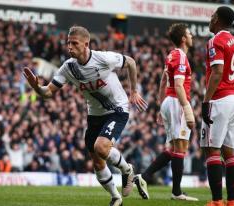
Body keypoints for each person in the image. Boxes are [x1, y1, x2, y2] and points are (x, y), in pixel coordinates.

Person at [23, 25, 147, 206]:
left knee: (101, 148)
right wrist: (36, 88)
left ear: (86, 44)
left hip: (117, 109)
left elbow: (131, 62)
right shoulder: (68, 67)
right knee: (97, 162)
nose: (69, 47)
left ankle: (127, 170)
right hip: (94, 115)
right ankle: (115, 197)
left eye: (74, 43)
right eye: (68, 43)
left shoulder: (103, 58)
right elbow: (49, 92)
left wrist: (134, 91)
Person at [134, 23, 198, 201]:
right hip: (178, 102)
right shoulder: (181, 57)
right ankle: (176, 192)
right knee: (181, 147)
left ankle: (144, 177)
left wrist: (161, 107)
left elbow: (163, 82)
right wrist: (187, 108)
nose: (192, 36)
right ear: (183, 39)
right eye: (189, 34)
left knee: (173, 147)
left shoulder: (171, 55)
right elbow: (177, 85)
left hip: (169, 102)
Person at [200, 6, 234, 206]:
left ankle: (217, 201)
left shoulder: (215, 41)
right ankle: (232, 202)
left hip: (220, 99)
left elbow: (217, 72)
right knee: (229, 151)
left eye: (212, 16)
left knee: (211, 150)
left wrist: (206, 101)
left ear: (217, 19)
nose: (210, 18)